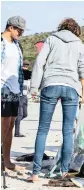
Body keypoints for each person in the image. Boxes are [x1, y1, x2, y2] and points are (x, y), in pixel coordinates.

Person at [28, 18, 84, 182]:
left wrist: (34, 87)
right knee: (68, 131)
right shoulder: (80, 45)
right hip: (71, 87)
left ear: (61, 27)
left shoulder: (51, 39)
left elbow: (40, 62)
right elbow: (83, 72)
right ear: (76, 30)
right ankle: (63, 171)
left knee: (42, 130)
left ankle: (35, 173)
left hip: (51, 84)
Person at [1, 15, 27, 171]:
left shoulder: (18, 45)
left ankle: (7, 161)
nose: (21, 33)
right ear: (10, 27)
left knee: (10, 125)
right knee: (2, 126)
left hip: (15, 89)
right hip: (2, 88)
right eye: (19, 30)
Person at [14, 60, 32, 137]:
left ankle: (13, 124)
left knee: (25, 114)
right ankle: (17, 132)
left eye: (27, 65)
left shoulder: (28, 74)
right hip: (20, 96)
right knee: (20, 114)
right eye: (24, 65)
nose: (26, 67)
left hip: (25, 96)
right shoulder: (20, 74)